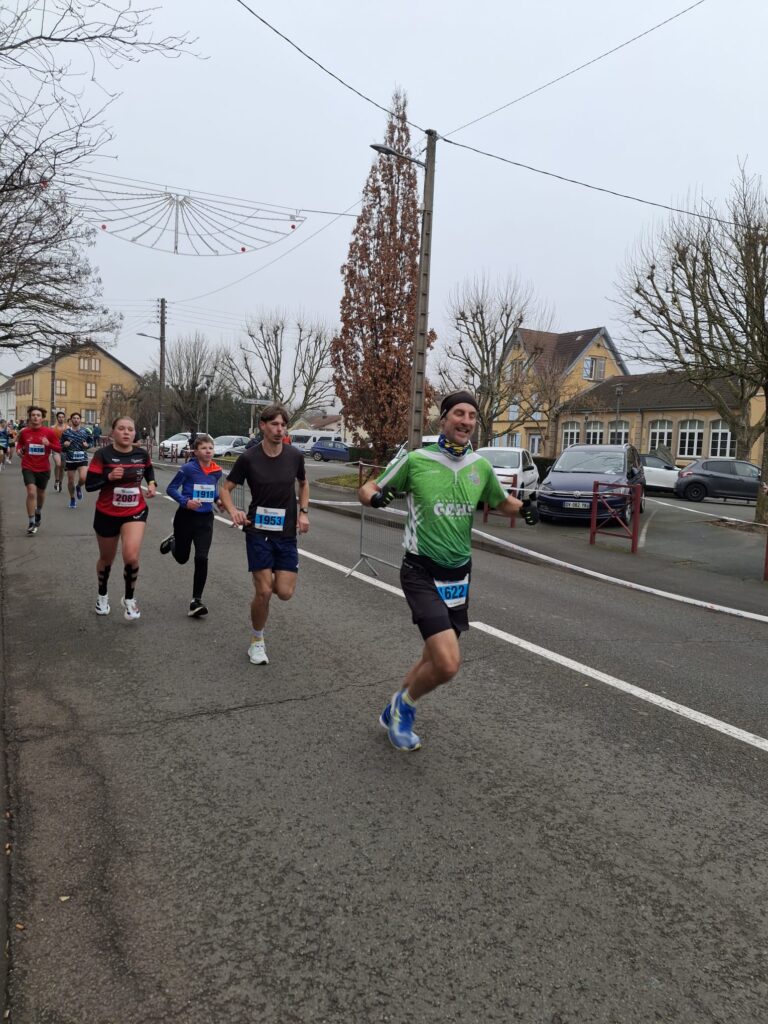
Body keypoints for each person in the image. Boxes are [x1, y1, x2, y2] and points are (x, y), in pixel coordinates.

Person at [358, 390, 540, 752]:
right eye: (459, 413)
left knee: (432, 655)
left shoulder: (479, 466)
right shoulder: (416, 460)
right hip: (421, 570)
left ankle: (395, 707)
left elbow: (500, 501)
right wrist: (376, 498)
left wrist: (524, 509)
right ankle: (406, 708)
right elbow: (368, 488)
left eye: (472, 415)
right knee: (447, 663)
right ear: (443, 419)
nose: (466, 421)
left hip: (459, 575)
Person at [218, 404, 309, 666]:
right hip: (257, 531)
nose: (280, 430)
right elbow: (225, 489)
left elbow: (303, 484)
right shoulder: (249, 458)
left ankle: (267, 584)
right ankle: (257, 641)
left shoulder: (294, 456)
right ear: (263, 426)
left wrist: (303, 512)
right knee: (265, 591)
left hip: (286, 532)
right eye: (274, 424)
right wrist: (233, 510)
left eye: (283, 425)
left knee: (284, 592)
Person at [85, 416, 157, 620]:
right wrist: (108, 477)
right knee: (106, 559)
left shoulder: (141, 454)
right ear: (113, 432)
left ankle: (129, 599)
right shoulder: (102, 455)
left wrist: (152, 484)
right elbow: (89, 485)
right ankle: (102, 595)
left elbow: (148, 469)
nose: (126, 432)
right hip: (106, 513)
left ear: (135, 433)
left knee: (131, 557)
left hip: (135, 511)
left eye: (130, 429)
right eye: (122, 428)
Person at [160, 433, 223, 617]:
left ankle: (196, 601)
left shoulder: (216, 471)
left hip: (205, 520)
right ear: (195, 452)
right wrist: (185, 502)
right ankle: (173, 541)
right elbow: (171, 488)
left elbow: (212, 490)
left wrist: (218, 500)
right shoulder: (187, 468)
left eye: (210, 448)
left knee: (202, 558)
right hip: (186, 517)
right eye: (203, 448)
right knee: (182, 558)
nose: (208, 451)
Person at [16, 406, 62, 536]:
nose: (35, 417)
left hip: (43, 468)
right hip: (28, 466)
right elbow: (20, 444)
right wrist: (19, 450)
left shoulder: (49, 432)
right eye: (33, 415)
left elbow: (59, 448)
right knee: (31, 492)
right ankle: (31, 522)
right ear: (30, 417)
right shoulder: (25, 432)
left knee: (40, 494)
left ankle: (38, 511)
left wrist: (48, 444)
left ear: (42, 418)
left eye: (38, 415)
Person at [61, 412, 92, 509]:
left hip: (82, 458)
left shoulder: (85, 431)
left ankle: (78, 486)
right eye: (74, 418)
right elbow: (61, 446)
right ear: (71, 420)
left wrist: (87, 445)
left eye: (78, 418)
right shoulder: (66, 432)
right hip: (70, 459)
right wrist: (64, 445)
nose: (76, 420)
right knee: (70, 481)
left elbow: (90, 443)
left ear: (80, 420)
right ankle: (72, 498)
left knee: (83, 478)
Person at [52, 411, 67, 491]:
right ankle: (56, 480)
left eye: (62, 417)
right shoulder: (52, 428)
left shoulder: (67, 428)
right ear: (57, 418)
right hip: (55, 449)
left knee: (62, 467)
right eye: (59, 417)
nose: (61, 418)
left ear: (64, 418)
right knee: (58, 464)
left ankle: (60, 482)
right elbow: (49, 437)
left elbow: (71, 438)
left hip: (64, 449)